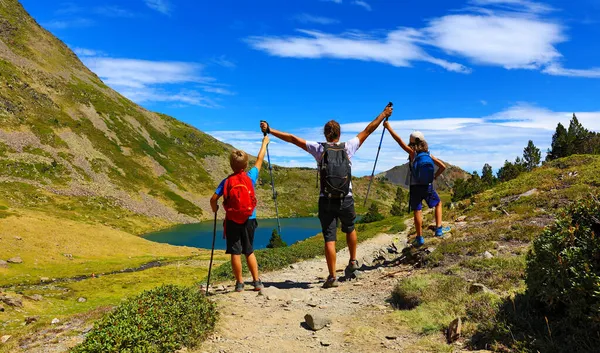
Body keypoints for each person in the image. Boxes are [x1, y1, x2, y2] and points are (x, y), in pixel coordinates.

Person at [261, 104, 393, 288]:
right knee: (350, 228)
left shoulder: (319, 149)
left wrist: (270, 130)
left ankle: (332, 277)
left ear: (325, 134)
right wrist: (384, 114)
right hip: (346, 198)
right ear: (339, 134)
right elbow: (369, 129)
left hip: (326, 200)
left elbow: (292, 139)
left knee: (329, 238)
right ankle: (353, 261)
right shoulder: (348, 146)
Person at [210, 135, 270, 292]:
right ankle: (256, 282)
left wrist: (214, 208)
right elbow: (260, 158)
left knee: (235, 252)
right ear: (246, 164)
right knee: (249, 250)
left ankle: (239, 284)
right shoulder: (250, 177)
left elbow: (213, 198)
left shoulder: (226, 182)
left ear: (231, 165)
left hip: (232, 220)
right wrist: (265, 142)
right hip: (250, 219)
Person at [383, 121, 446, 246]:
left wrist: (388, 127)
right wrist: (434, 176)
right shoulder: (428, 155)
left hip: (415, 187)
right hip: (427, 186)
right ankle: (439, 230)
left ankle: (420, 238)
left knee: (418, 210)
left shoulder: (413, 154)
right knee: (438, 203)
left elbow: (399, 140)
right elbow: (443, 166)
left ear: (412, 142)